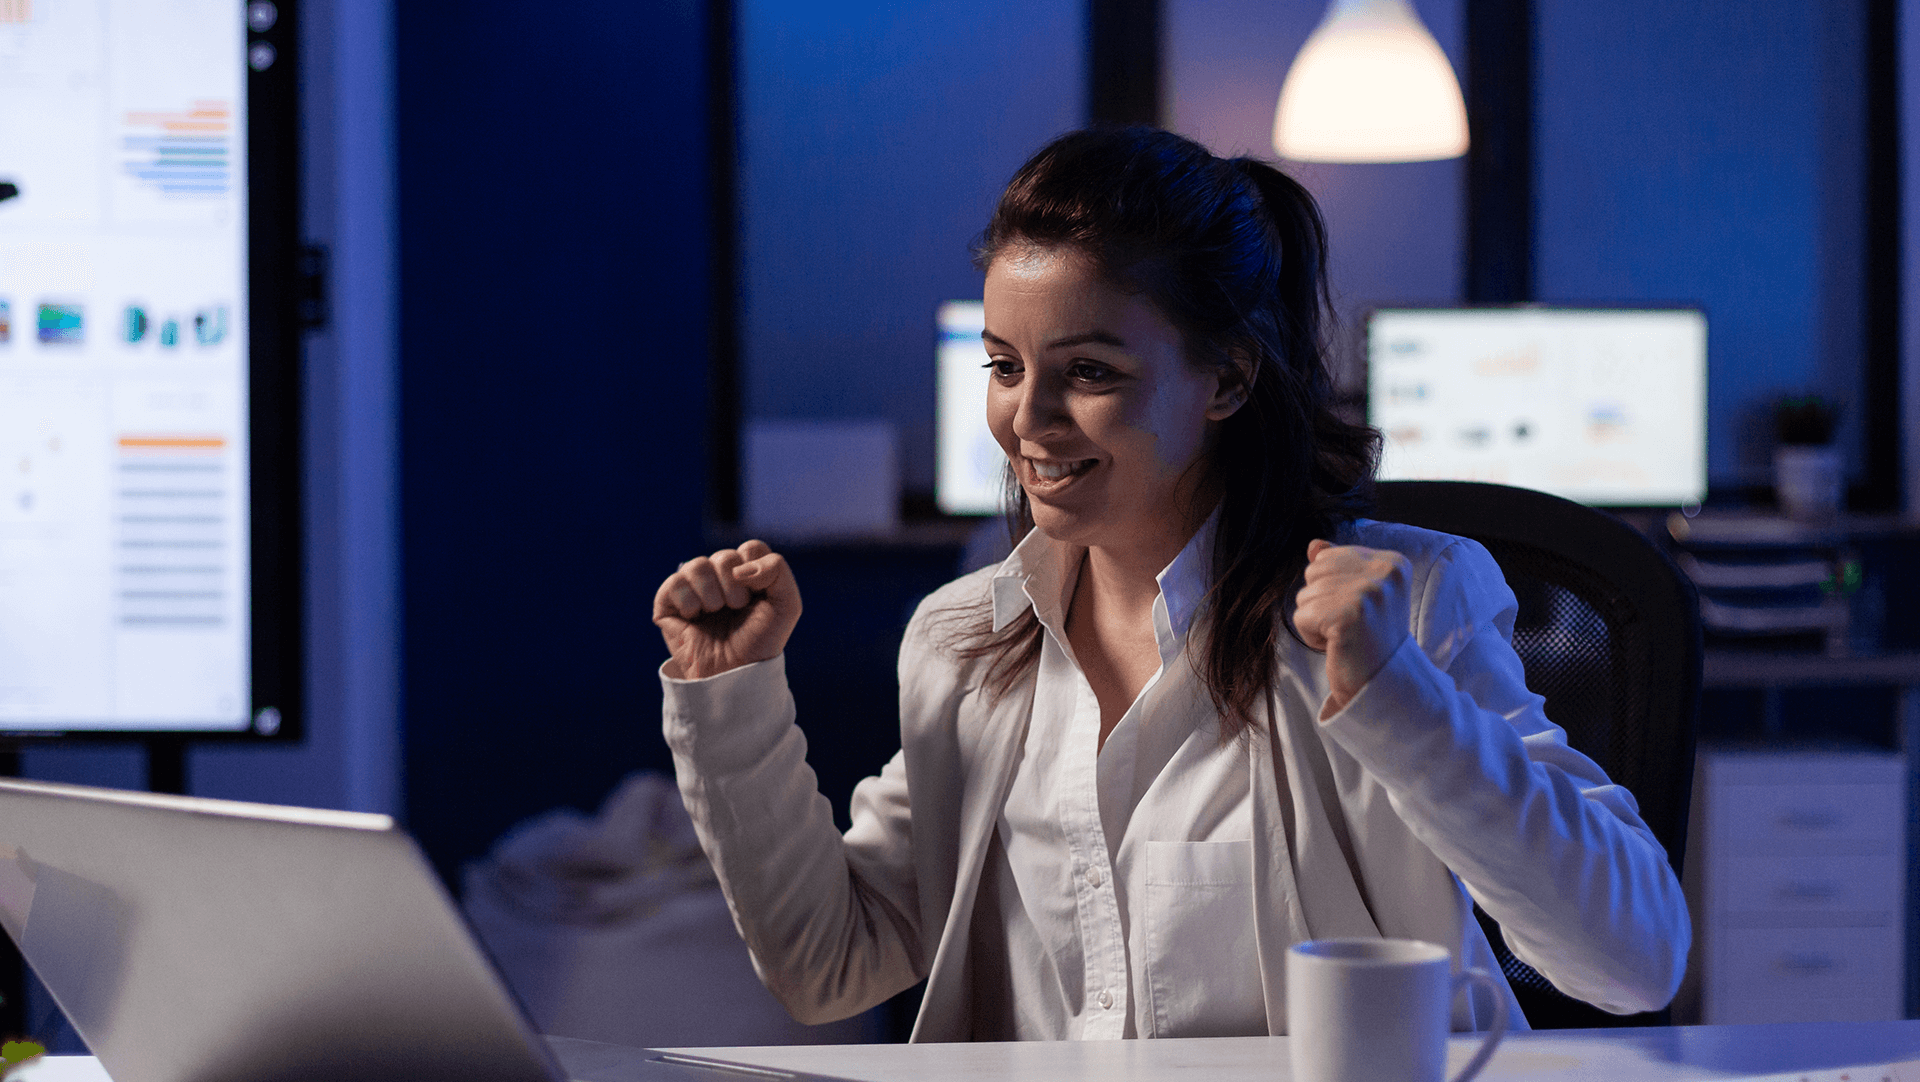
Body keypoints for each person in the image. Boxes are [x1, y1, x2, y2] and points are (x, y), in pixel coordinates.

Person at [652, 128, 1689, 1042]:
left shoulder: (1412, 600)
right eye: (1005, 364)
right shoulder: (965, 638)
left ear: (1228, 379)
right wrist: (731, 699)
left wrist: (1398, 699)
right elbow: (830, 963)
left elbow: (1633, 959)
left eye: (1091, 371)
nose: (1028, 418)